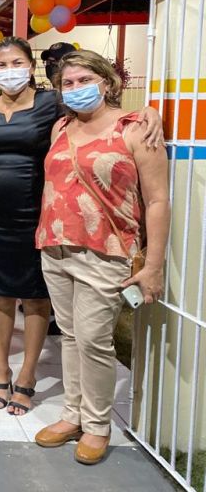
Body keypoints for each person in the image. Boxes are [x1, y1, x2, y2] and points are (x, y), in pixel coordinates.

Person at [34, 50, 170, 465]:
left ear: (107, 83)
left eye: (84, 80)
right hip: (55, 246)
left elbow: (158, 200)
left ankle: (96, 424)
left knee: (94, 340)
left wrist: (153, 265)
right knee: (70, 336)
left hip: (106, 252)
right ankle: (72, 414)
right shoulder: (61, 127)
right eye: (67, 83)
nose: (75, 88)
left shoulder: (136, 129)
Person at [0, 37, 59, 415]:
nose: (10, 71)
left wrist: (146, 116)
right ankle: (2, 370)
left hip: (37, 213)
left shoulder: (51, 104)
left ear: (31, 66)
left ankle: (27, 374)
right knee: (0, 294)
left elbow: (100, 113)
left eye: (17, 63)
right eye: (2, 65)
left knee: (36, 296)